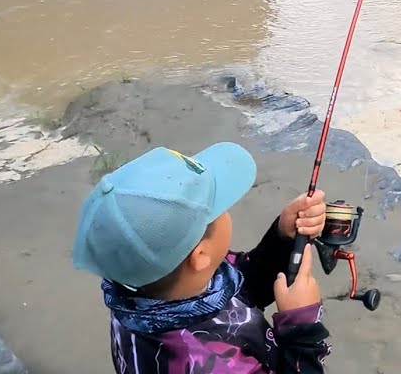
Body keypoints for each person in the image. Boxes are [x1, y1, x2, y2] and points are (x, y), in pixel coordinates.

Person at [71, 142, 331, 373]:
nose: (226, 210)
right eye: (218, 208)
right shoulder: (209, 365)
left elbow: (243, 288)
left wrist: (282, 237)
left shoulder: (135, 286)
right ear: (201, 255)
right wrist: (302, 331)